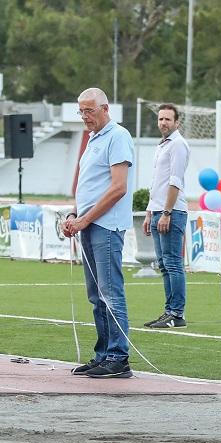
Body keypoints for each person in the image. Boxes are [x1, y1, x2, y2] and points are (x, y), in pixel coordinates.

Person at [62, 88, 135, 379]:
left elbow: (118, 187)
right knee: (96, 295)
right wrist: (74, 215)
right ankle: (104, 353)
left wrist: (85, 219)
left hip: (106, 225)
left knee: (110, 293)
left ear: (105, 108)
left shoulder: (118, 136)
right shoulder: (94, 139)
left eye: (89, 110)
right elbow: (90, 186)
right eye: (81, 111)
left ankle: (118, 357)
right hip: (90, 224)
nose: (84, 117)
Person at [143, 103, 191, 329]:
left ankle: (176, 313)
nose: (163, 123)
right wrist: (149, 212)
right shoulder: (162, 145)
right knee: (163, 264)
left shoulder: (178, 145)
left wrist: (166, 212)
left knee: (173, 264)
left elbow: (175, 180)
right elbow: (158, 182)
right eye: (161, 119)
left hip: (171, 212)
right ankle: (168, 310)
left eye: (167, 119)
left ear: (176, 122)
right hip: (158, 210)